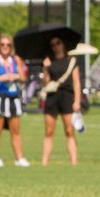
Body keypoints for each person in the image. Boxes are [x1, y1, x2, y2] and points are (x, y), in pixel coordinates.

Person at [0, 34, 30, 168]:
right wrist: (0, 78)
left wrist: (15, 76)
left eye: (8, 45)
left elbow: (23, 78)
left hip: (13, 98)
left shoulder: (16, 60)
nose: (5, 47)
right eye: (3, 44)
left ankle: (19, 158)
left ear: (11, 47)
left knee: (15, 130)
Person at [40, 36, 82, 166]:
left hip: (67, 96)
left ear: (63, 44)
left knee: (69, 130)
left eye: (58, 43)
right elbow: (45, 82)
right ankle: (44, 163)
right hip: (52, 96)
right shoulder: (48, 61)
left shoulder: (72, 61)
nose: (55, 46)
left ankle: (74, 162)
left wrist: (77, 101)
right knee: (49, 131)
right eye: (52, 44)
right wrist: (46, 68)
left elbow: (76, 82)